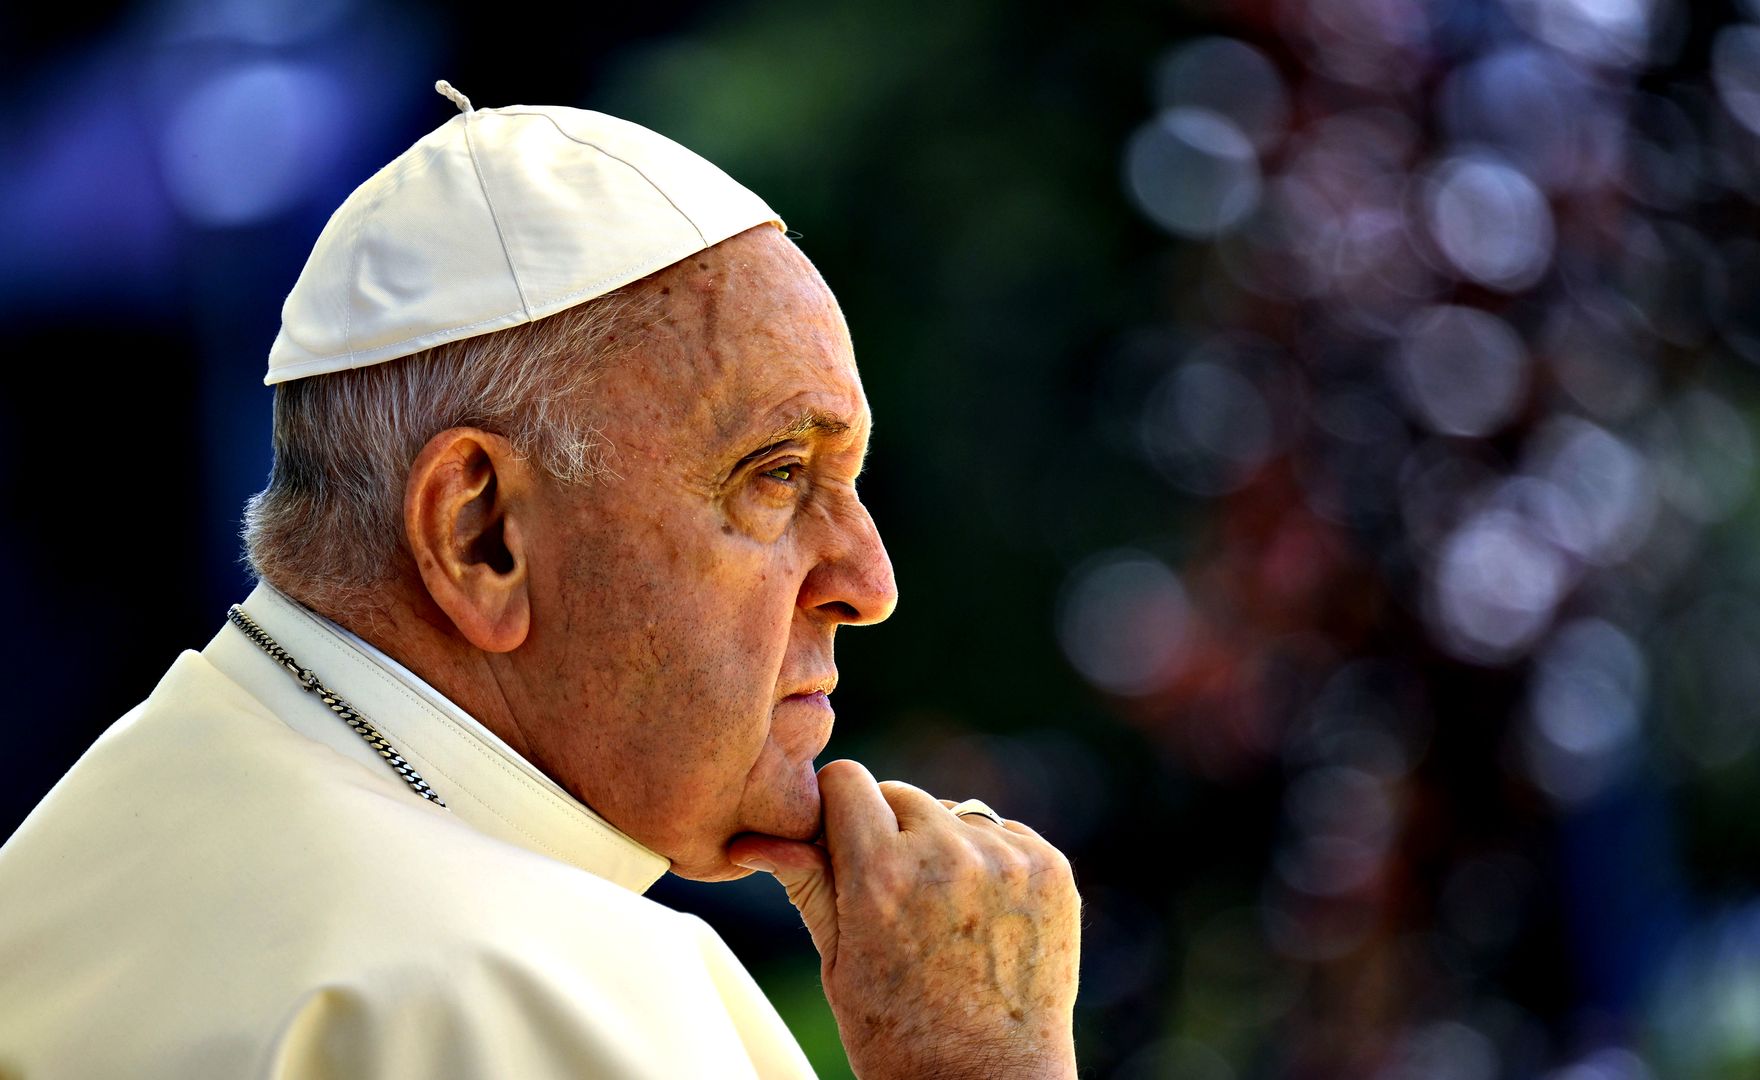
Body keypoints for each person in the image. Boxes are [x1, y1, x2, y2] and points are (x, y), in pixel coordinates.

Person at [0, 83, 1080, 1078]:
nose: (867, 580)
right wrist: (981, 1065)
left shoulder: (85, 843)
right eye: (778, 475)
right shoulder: (523, 992)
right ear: (481, 535)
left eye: (848, 480)